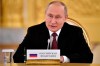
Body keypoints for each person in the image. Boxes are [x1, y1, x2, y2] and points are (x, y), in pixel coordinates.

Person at [13, 1, 93, 63]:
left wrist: (64, 58)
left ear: (65, 18)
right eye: (50, 16)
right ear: (45, 15)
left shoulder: (75, 32)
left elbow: (88, 57)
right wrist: (36, 58)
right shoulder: (34, 31)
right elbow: (17, 56)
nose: (53, 21)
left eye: (58, 17)